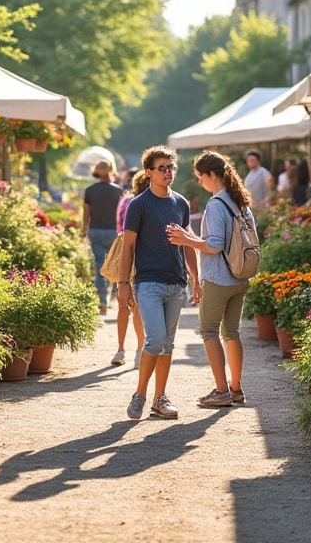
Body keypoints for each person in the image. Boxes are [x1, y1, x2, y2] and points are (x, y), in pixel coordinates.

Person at [117, 145, 199, 420]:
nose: (168, 172)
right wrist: (122, 284)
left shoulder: (181, 203)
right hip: (148, 283)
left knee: (168, 345)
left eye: (171, 167)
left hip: (177, 283)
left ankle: (159, 399)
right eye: (162, 168)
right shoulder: (138, 205)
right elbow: (128, 247)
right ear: (149, 172)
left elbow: (188, 243)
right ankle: (140, 393)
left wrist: (196, 278)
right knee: (156, 340)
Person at [168, 150, 253, 407]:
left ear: (211, 175)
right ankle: (236, 389)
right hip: (240, 276)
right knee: (232, 332)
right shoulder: (241, 202)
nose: (199, 182)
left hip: (218, 278)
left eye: (200, 177)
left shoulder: (216, 204)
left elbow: (214, 245)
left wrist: (186, 239)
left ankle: (221, 391)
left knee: (208, 331)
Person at [109, 169, 148, 367]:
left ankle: (120, 349)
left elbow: (119, 227)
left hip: (124, 256)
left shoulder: (126, 201)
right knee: (138, 305)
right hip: (141, 256)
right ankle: (139, 351)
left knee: (122, 304)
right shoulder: (149, 203)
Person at [82, 159, 125, 315]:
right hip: (114, 232)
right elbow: (121, 214)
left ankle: (102, 301)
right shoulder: (118, 191)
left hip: (95, 230)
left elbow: (86, 213)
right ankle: (118, 297)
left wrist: (84, 229)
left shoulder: (90, 191)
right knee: (117, 263)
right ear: (111, 170)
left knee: (100, 264)